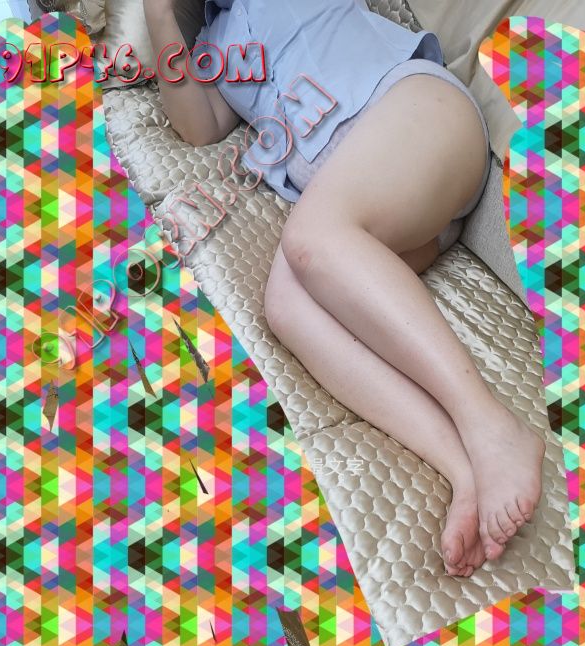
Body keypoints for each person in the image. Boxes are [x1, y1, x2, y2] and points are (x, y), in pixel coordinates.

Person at [144, 0, 546, 578]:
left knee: (308, 238)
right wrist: (158, 12)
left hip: (423, 116)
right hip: (388, 217)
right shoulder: (215, 41)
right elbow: (198, 126)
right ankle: (464, 468)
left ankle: (490, 422)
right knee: (285, 306)